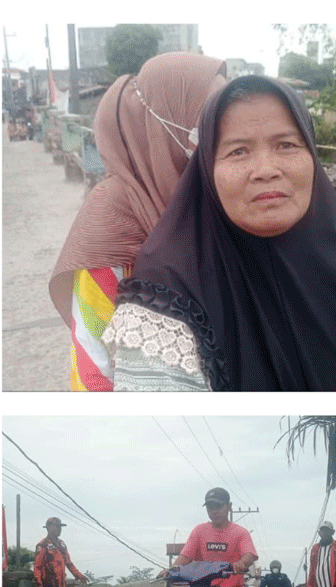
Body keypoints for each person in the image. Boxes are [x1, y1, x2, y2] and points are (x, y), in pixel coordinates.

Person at [102, 75, 336, 390]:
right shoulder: (169, 291)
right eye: (238, 152)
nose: (266, 169)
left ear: (312, 154)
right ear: (206, 168)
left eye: (286, 145)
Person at [50, 54, 226, 391]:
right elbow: (92, 365)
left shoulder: (221, 200)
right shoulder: (113, 222)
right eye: (208, 117)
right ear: (161, 125)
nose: (224, 131)